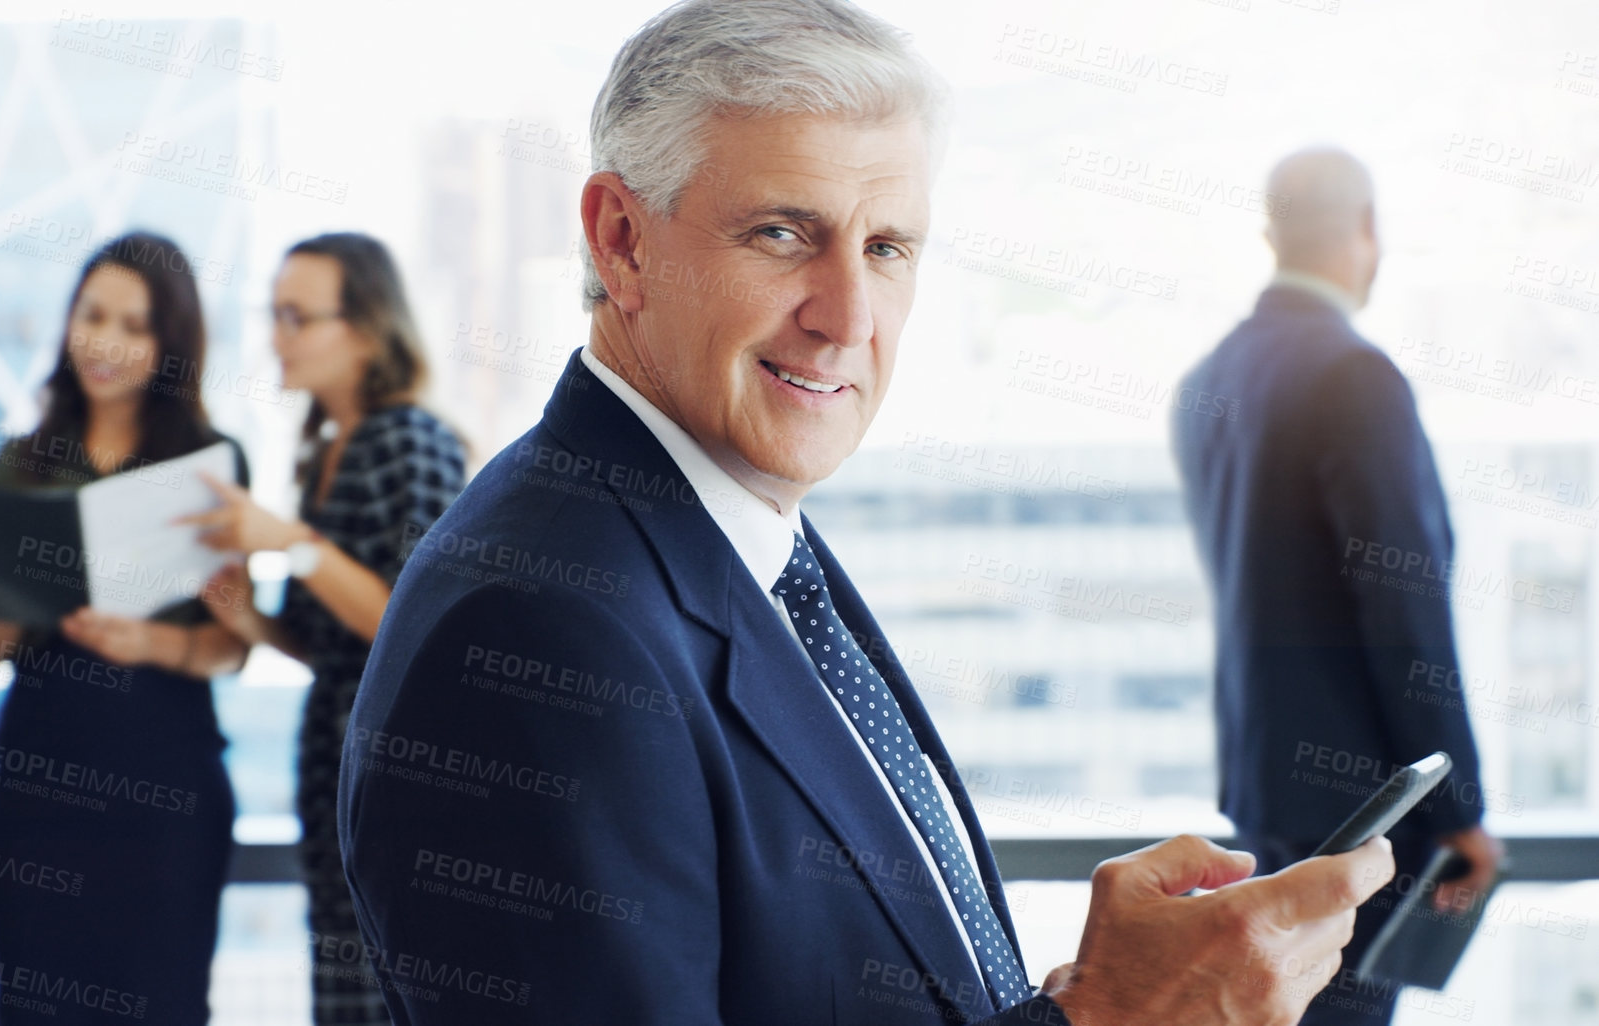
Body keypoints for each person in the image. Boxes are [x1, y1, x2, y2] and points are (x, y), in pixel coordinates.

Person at [338, 2, 1396, 1024]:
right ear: (620, 240)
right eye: (782, 233)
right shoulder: (539, 623)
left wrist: (1095, 999)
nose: (848, 318)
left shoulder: (743, 535)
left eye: (887, 248)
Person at [1171, 148, 1500, 1025]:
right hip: (1363, 812)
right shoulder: (1353, 376)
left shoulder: (1210, 379)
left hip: (1264, 790)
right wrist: (1459, 803)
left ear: (1269, 234)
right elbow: (1403, 605)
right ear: (1366, 232)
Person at [0, 231, 250, 1025]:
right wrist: (10, 599)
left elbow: (232, 644)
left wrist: (148, 641)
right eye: (92, 316)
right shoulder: (23, 462)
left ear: (169, 344)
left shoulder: (210, 463)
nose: (105, 342)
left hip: (163, 791)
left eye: (133, 325)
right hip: (40, 784)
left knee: (160, 1003)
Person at [185, 232, 466, 1026]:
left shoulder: (408, 440)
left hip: (400, 773)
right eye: (272, 314)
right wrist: (248, 618)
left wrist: (290, 543)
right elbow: (331, 641)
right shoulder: (324, 451)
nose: (276, 335)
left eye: (296, 316)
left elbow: (423, 627)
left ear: (367, 328)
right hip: (334, 765)